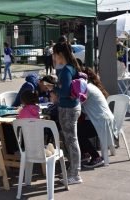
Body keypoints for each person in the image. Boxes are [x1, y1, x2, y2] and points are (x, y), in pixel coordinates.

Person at [52, 42, 83, 185]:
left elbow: (64, 91)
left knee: (71, 140)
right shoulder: (71, 67)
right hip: (72, 107)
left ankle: (75, 174)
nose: (53, 57)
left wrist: (53, 89)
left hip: (68, 109)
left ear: (60, 54)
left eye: (54, 54)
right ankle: (72, 171)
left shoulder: (66, 70)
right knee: (70, 140)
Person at [78, 67, 117, 168]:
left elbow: (77, 104)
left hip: (101, 121)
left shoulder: (87, 89)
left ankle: (96, 157)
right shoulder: (92, 86)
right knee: (79, 128)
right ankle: (85, 153)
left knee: (78, 132)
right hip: (103, 120)